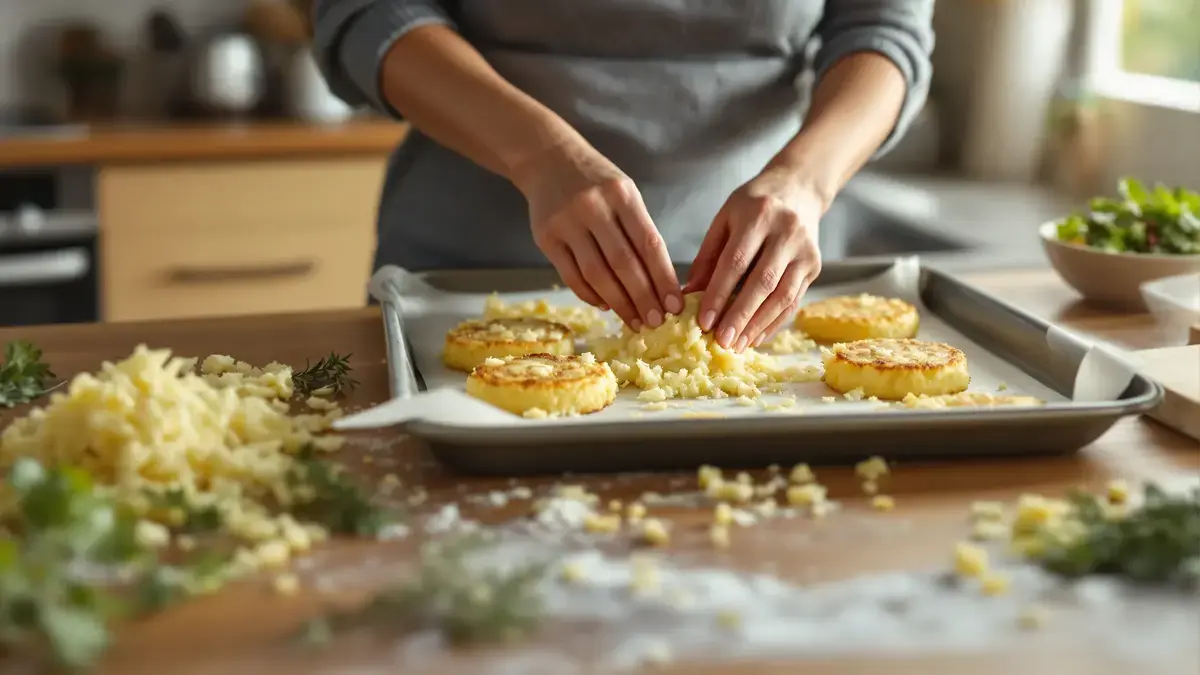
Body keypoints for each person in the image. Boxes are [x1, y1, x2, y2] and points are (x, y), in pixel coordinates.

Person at [313, 1, 934, 352]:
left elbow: (884, 29)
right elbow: (368, 10)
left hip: (759, 284)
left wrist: (804, 181)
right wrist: (539, 153)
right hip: (458, 276)